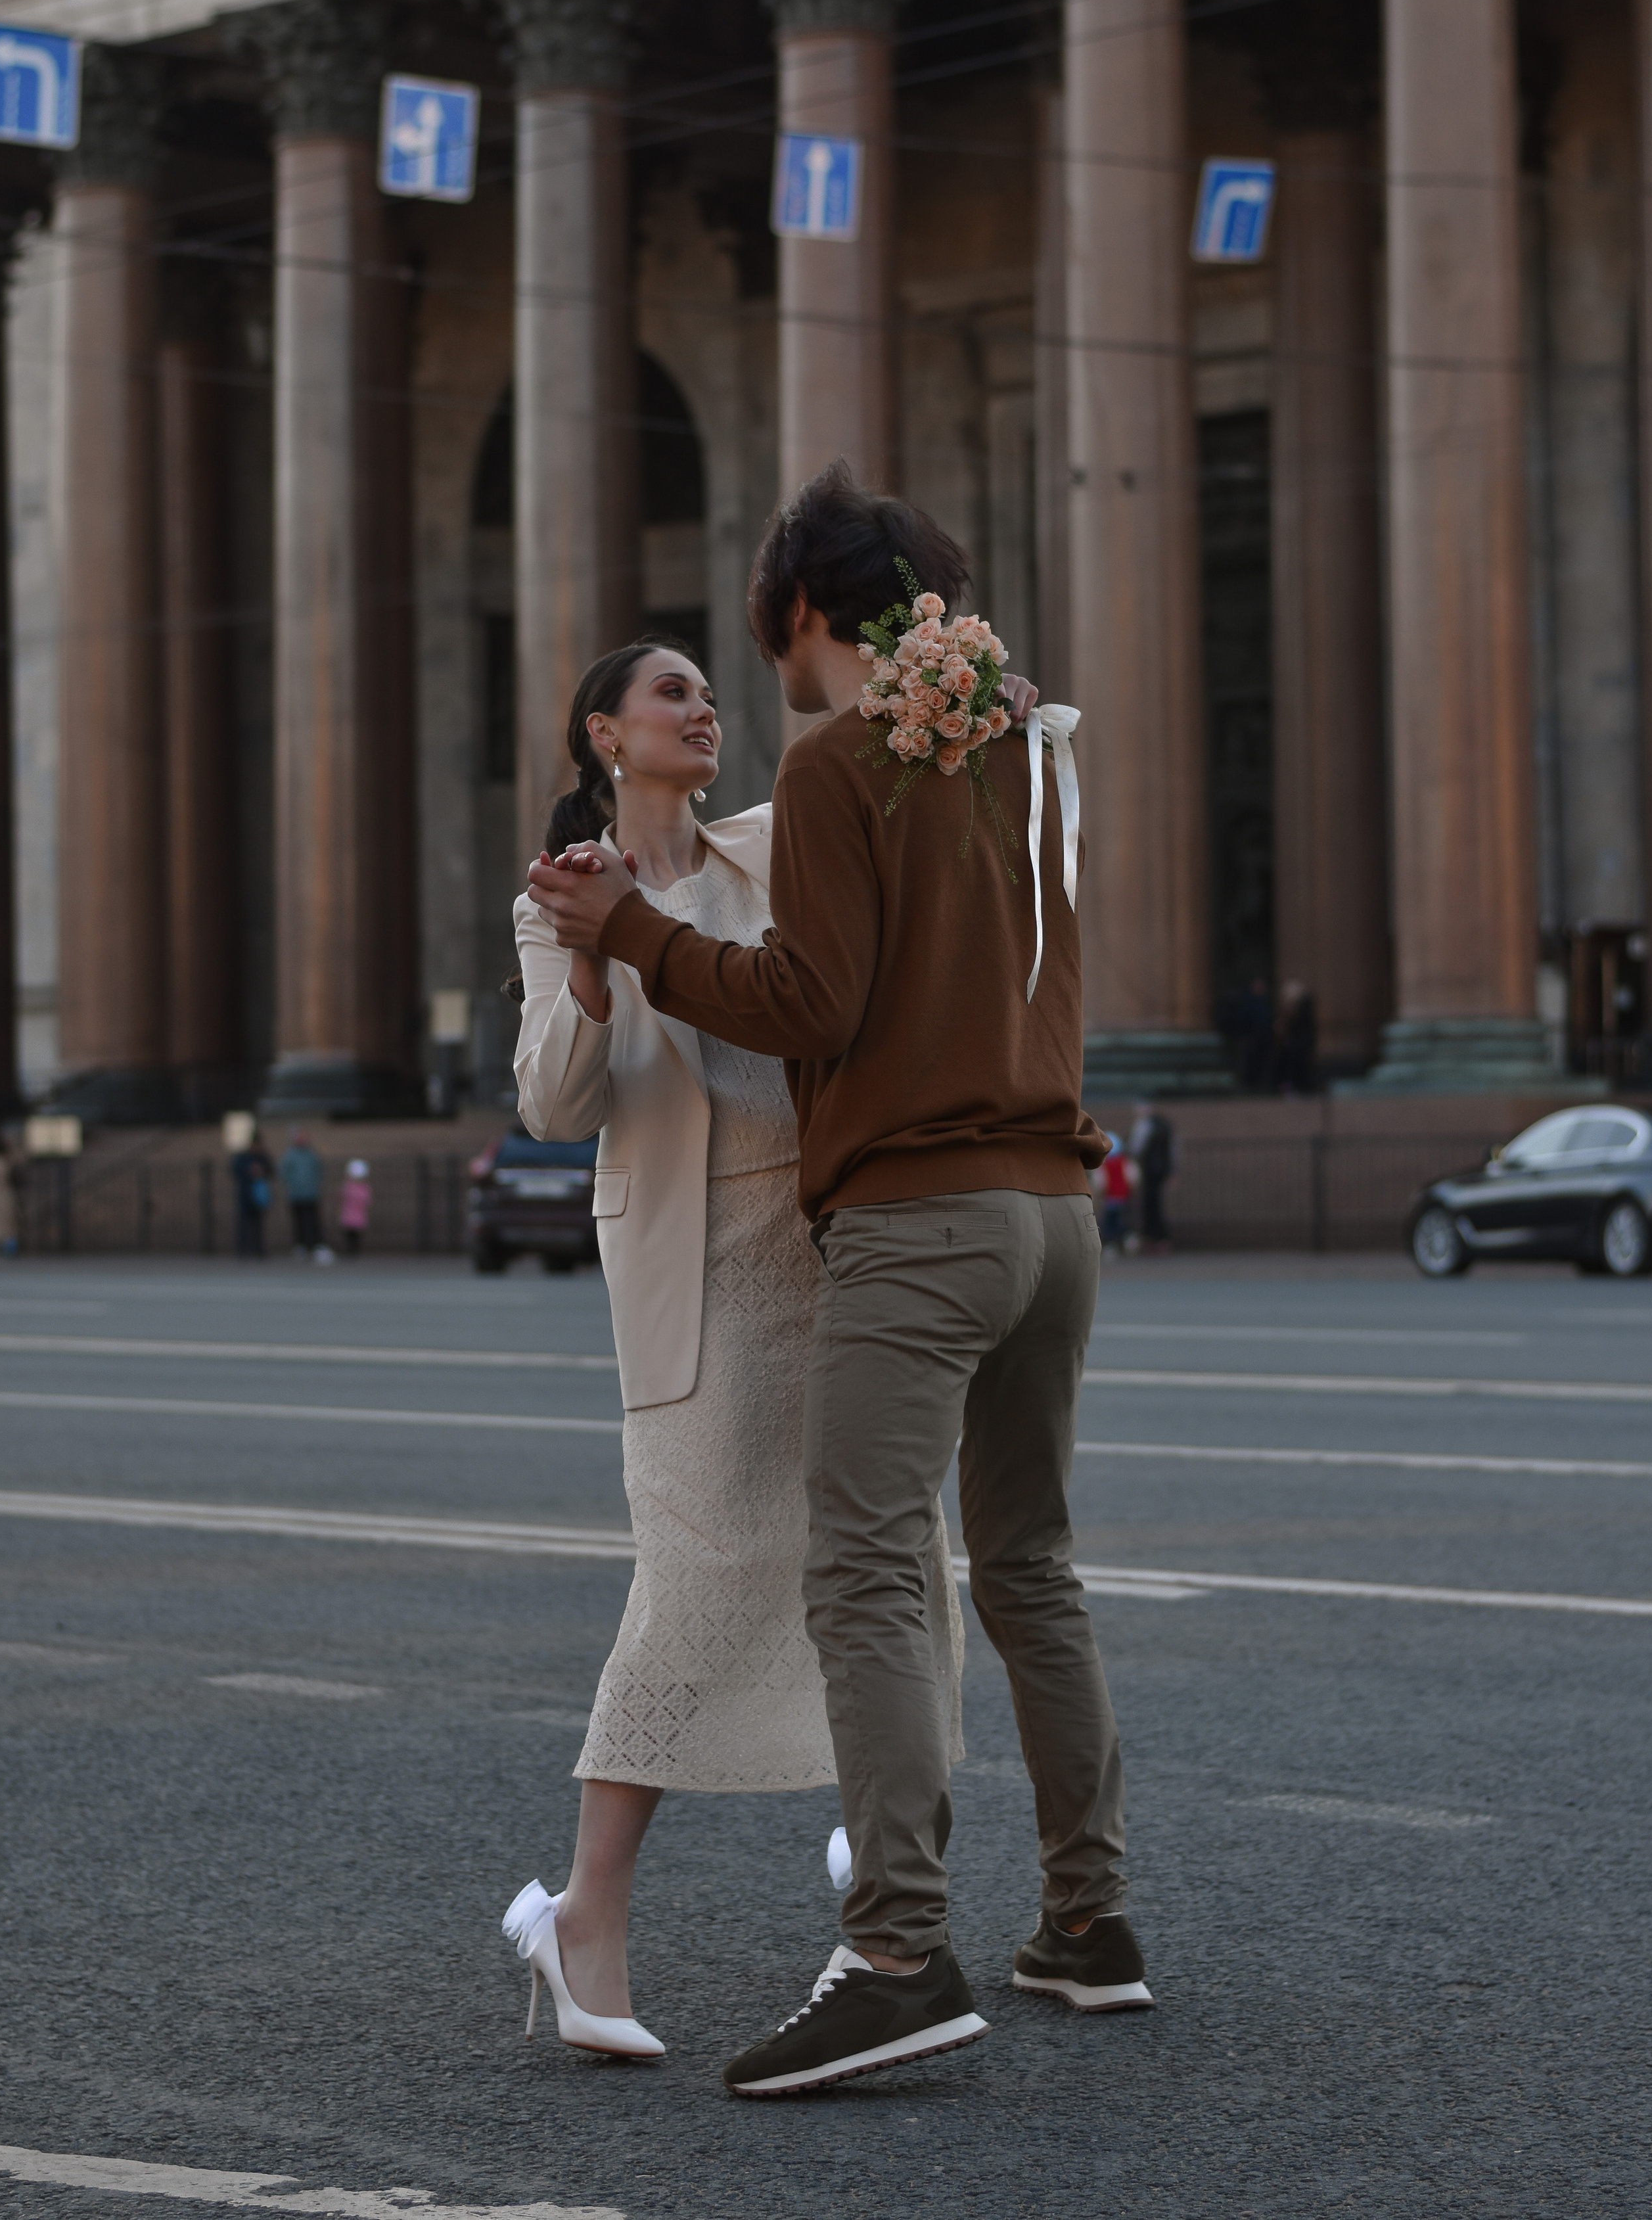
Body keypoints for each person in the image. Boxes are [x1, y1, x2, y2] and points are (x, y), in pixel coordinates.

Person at [534, 461, 1151, 2098]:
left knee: (868, 1571)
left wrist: (633, 935)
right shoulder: (1025, 747)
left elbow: (809, 1001)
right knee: (1028, 1567)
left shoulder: (834, 761)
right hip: (1056, 1207)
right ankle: (1085, 1922)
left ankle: (892, 1955)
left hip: (923, 1214)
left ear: (801, 608)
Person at [502, 636, 967, 2064]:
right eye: (671, 692)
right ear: (604, 733)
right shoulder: (561, 891)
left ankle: (885, 1852)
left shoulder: (768, 843)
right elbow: (551, 1105)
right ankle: (582, 1912)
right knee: (694, 1578)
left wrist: (965, 702)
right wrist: (592, 963)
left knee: (893, 1546)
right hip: (693, 1266)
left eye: (710, 691)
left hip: (830, 1240)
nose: (703, 708)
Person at [1128, 1103, 1174, 1252]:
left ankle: (1153, 1237)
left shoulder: (1144, 1125)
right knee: (1156, 1204)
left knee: (1150, 1204)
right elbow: (1173, 1150)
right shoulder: (1164, 1125)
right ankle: (1160, 1238)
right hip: (1161, 1170)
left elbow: (1136, 1148)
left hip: (1149, 1169)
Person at [280, 1129, 327, 1259]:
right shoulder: (290, 1155)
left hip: (311, 1194)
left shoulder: (311, 1155)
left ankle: (316, 1245)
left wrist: (314, 1184)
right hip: (296, 1195)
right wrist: (293, 1184)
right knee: (299, 1221)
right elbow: (284, 1171)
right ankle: (300, 1246)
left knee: (313, 1221)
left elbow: (319, 1169)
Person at [230, 1130, 274, 1259]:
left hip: (258, 1195)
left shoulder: (262, 1157)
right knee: (244, 1223)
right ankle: (243, 1249)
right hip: (245, 1195)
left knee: (258, 1224)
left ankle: (258, 1248)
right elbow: (235, 1170)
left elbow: (271, 1170)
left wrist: (262, 1170)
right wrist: (248, 1170)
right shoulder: (243, 1157)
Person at [1093, 1131, 1132, 1258]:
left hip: (1109, 1199)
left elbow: (1100, 1182)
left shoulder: (1104, 1165)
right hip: (1123, 1197)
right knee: (1122, 1220)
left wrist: (1100, 1193)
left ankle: (1111, 1245)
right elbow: (1132, 1178)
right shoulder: (1124, 1162)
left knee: (1109, 1223)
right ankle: (1128, 1240)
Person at [337, 1159, 371, 1255]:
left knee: (355, 1235)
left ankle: (354, 1250)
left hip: (356, 1216)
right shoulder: (349, 1186)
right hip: (350, 1215)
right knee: (349, 1234)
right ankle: (350, 1249)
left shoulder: (361, 1187)